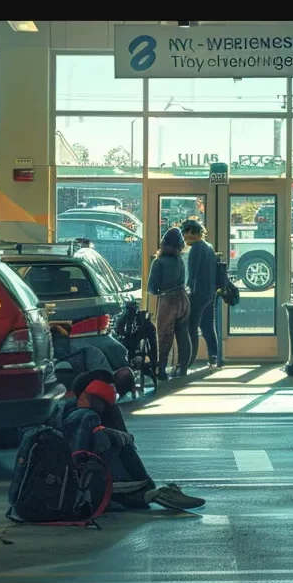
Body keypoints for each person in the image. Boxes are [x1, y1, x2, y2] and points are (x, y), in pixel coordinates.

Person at [56, 370, 205, 512]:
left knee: (120, 440)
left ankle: (147, 490)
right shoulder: (79, 415)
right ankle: (147, 493)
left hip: (104, 483)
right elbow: (79, 454)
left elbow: (126, 441)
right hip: (88, 481)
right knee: (106, 437)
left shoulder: (109, 411)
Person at [147, 227, 191, 380]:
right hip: (183, 299)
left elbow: (152, 288)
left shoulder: (159, 262)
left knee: (164, 336)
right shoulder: (180, 260)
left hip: (168, 300)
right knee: (183, 334)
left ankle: (162, 370)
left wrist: (159, 290)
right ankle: (182, 367)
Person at [181, 219, 220, 369]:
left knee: (191, 327)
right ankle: (213, 357)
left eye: (185, 233)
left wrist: (188, 291)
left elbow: (193, 273)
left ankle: (189, 360)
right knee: (208, 326)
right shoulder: (208, 247)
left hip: (198, 294)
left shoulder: (196, 248)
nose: (184, 237)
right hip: (210, 293)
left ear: (191, 232)